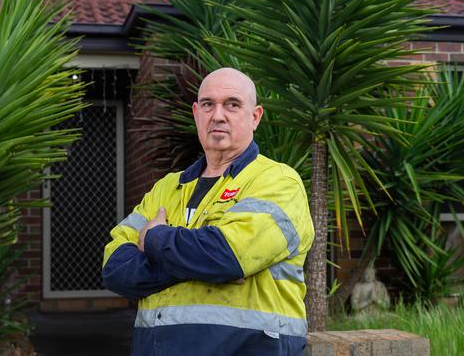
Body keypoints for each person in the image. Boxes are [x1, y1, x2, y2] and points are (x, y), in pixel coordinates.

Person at [102, 67, 315, 356]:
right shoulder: (167, 187)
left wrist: (154, 239)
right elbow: (115, 268)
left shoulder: (277, 181)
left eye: (232, 104)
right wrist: (198, 265)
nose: (218, 115)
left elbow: (226, 255)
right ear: (196, 113)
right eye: (208, 104)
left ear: (255, 117)